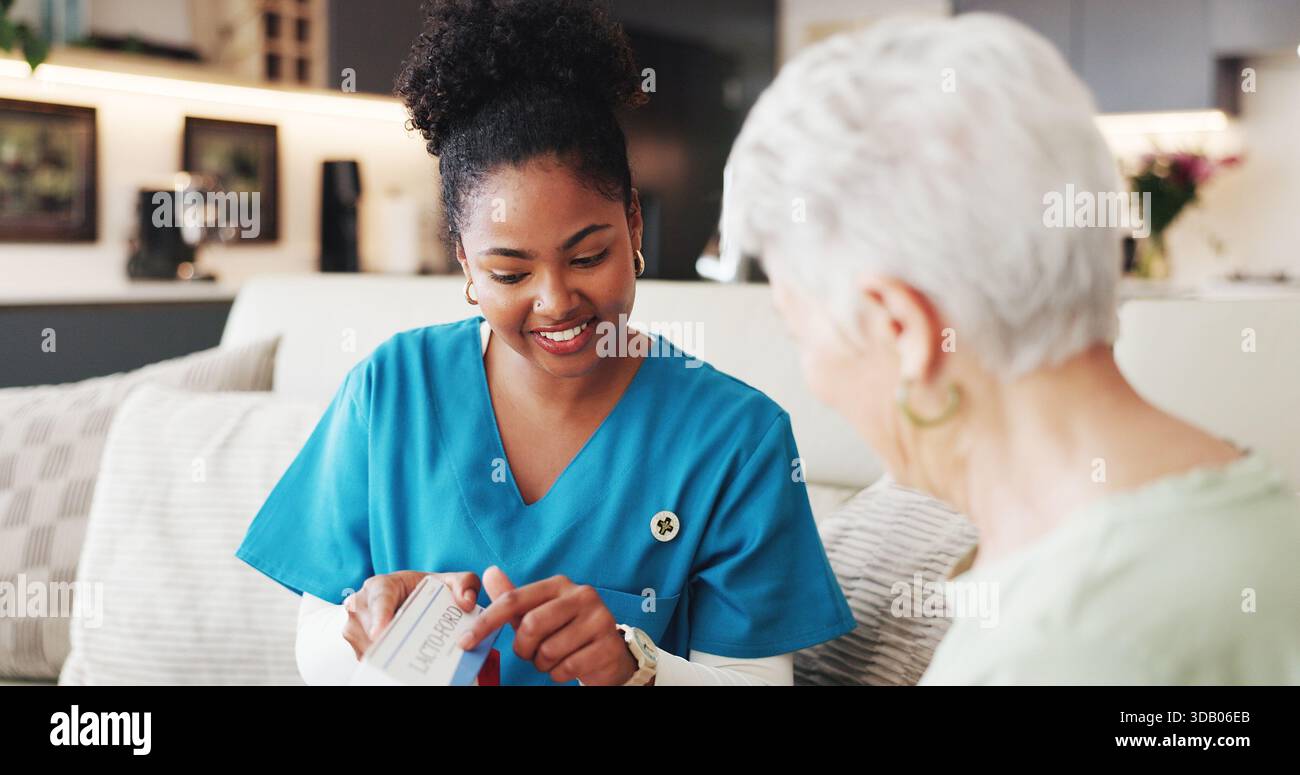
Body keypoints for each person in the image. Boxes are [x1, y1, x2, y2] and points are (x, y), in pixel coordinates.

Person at [235, 0, 855, 686]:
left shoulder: (737, 440)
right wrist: (372, 630)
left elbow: (758, 681)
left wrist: (635, 666)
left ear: (634, 228)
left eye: (588, 256)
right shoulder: (390, 390)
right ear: (467, 268)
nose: (557, 300)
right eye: (510, 271)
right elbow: (316, 644)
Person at [719, 12, 1300, 684]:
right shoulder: (1265, 521)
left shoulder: (1053, 649)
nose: (813, 375)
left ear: (901, 329)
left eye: (801, 332)